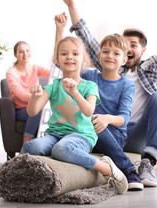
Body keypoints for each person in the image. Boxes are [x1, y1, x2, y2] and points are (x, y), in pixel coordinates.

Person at [60, 0, 157, 187]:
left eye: (134, 44)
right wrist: (71, 4)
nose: (129, 47)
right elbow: (85, 36)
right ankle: (124, 168)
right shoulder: (109, 65)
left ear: (142, 49)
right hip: (108, 131)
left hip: (138, 133)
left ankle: (148, 162)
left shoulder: (155, 66)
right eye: (125, 44)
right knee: (90, 115)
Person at [21, 36, 128, 195]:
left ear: (84, 60)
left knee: (61, 149)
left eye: (75, 54)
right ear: (57, 60)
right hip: (55, 134)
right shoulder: (52, 87)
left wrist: (74, 92)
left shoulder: (89, 86)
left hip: (81, 135)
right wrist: (35, 97)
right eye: (64, 54)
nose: (69, 57)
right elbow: (32, 111)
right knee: (32, 147)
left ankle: (105, 167)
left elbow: (89, 111)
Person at [55, 13, 143, 191]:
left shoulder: (126, 85)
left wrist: (107, 119)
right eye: (105, 52)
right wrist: (60, 30)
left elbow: (124, 118)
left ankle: (128, 169)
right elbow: (62, 62)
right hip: (88, 131)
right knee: (83, 126)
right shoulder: (89, 75)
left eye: (116, 53)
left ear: (124, 60)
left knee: (94, 123)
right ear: (99, 55)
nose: (110, 56)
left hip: (114, 135)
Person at [6, 41, 51, 146]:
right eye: (21, 52)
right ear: (15, 55)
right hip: (21, 110)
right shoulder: (11, 72)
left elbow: (53, 73)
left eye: (27, 50)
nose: (25, 54)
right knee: (37, 110)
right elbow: (21, 95)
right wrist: (39, 98)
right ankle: (25, 145)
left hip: (36, 104)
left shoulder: (35, 68)